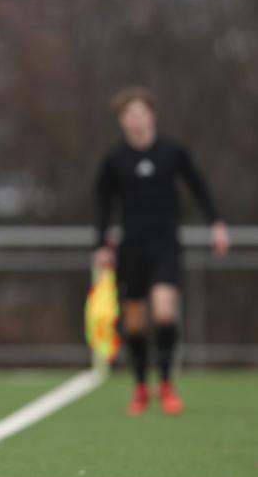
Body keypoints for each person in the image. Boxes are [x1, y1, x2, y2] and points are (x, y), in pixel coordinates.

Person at [93, 86, 228, 416]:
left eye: (139, 112)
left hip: (166, 244)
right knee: (135, 324)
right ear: (121, 121)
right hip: (131, 248)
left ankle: (166, 384)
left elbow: (198, 186)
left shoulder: (173, 152)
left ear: (151, 115)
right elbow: (102, 204)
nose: (134, 119)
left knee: (165, 312)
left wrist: (216, 223)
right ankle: (141, 387)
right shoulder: (114, 160)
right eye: (127, 115)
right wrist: (100, 244)